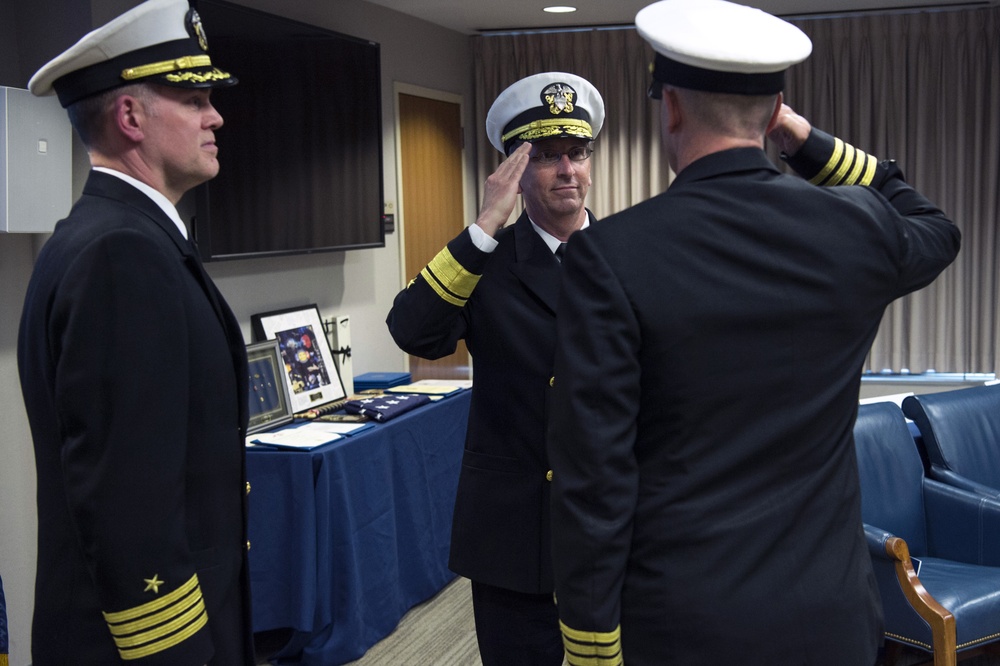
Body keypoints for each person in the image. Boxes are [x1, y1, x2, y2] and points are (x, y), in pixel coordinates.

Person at [546, 1, 961, 664]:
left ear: (670, 107)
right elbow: (936, 227)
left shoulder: (611, 254)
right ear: (773, 117)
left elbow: (594, 472)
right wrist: (810, 143)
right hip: (830, 614)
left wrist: (592, 641)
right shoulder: (857, 228)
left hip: (683, 620)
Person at [17, 0, 254, 663]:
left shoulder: (114, 238)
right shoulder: (121, 256)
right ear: (130, 117)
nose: (217, 116)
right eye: (196, 98)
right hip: (148, 643)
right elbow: (128, 502)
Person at [386, 72, 605, 665]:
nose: (567, 170)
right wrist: (485, 226)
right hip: (513, 528)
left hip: (608, 524)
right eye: (547, 157)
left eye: (577, 154)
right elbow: (413, 331)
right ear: (514, 170)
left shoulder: (627, 257)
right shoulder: (485, 261)